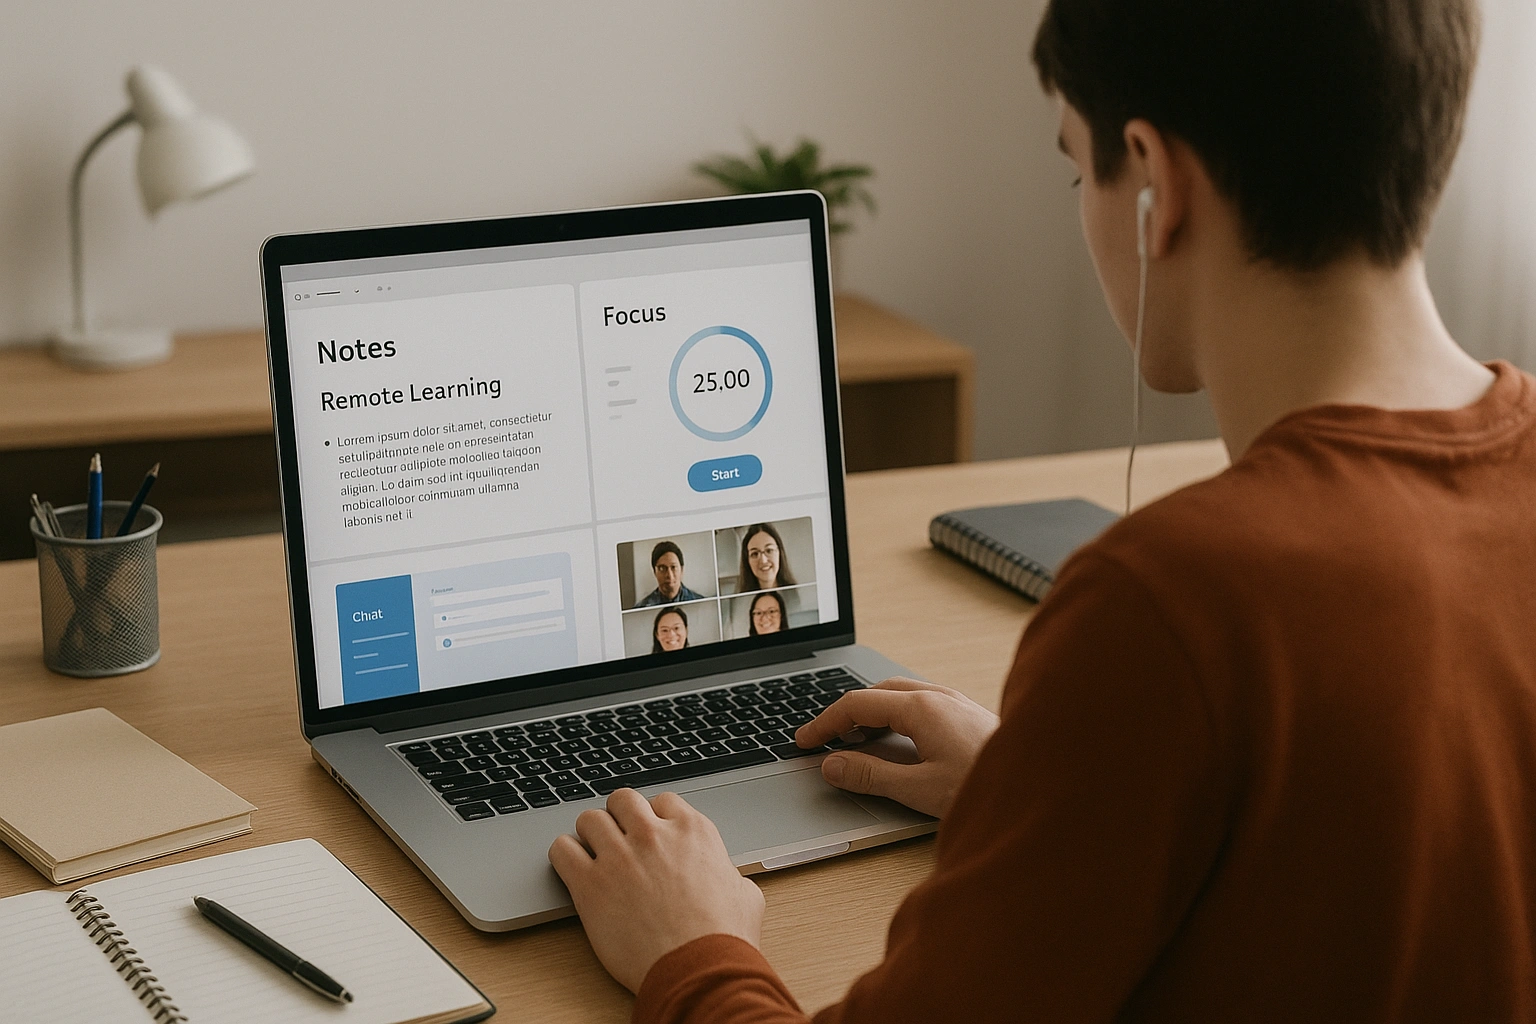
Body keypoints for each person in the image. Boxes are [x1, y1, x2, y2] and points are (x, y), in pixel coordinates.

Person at [548, 0, 1536, 1019]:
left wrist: (691, 946)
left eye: (1079, 168)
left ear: (1156, 182)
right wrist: (1043, 797)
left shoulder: (1170, 601)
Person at [635, 541, 705, 608]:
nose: (669, 575)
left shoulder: (701, 603)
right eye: (662, 568)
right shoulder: (641, 608)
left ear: (682, 570)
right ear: (654, 572)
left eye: (673, 567)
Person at [735, 523, 796, 593]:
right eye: (755, 554)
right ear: (747, 561)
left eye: (769, 550)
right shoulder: (742, 601)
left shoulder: (797, 595)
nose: (763, 561)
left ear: (780, 553)